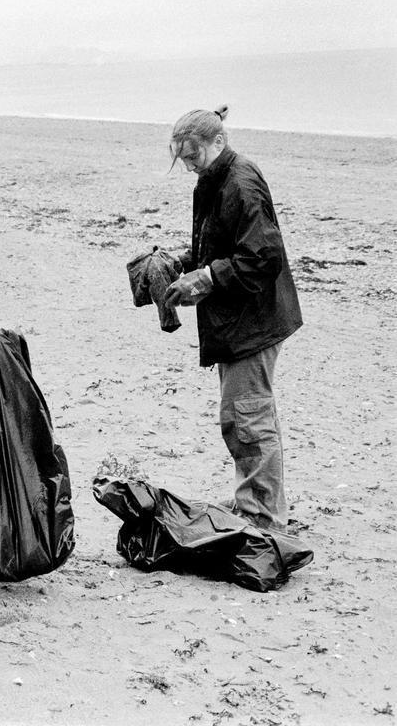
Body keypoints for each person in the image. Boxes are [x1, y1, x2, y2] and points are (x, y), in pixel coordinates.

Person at [163, 106, 302, 532]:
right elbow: (217, 245)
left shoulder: (240, 180)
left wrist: (204, 279)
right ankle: (257, 500)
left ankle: (262, 516)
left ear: (218, 143)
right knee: (245, 416)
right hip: (239, 320)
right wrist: (179, 263)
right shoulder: (212, 181)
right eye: (183, 159)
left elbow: (262, 256)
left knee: (248, 419)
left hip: (255, 322)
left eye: (193, 157)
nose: (188, 167)